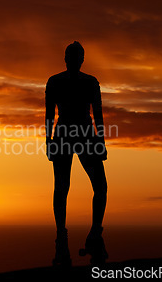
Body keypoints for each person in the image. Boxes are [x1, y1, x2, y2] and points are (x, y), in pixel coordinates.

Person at [45, 41, 108, 267]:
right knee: (86, 186)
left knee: (65, 187)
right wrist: (99, 140)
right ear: (80, 59)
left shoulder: (57, 81)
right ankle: (82, 236)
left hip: (68, 134)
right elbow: (97, 114)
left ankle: (69, 237)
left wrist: (48, 140)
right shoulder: (88, 82)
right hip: (81, 133)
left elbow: (49, 115)